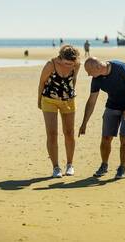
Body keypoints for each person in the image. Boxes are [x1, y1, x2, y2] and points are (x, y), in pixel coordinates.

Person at [79, 57, 125, 179]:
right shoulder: (96, 79)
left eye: (89, 71)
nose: (88, 75)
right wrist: (84, 123)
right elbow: (91, 101)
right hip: (112, 105)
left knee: (124, 137)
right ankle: (104, 165)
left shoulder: (120, 68)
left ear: (98, 67)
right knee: (106, 137)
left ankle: (122, 168)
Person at [37, 45, 80, 178]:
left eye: (71, 64)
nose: (69, 66)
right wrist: (39, 101)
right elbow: (41, 83)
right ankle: (56, 167)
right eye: (66, 63)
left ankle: (69, 165)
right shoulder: (50, 65)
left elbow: (74, 80)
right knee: (52, 134)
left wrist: (70, 94)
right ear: (60, 58)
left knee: (69, 132)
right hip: (49, 100)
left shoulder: (76, 65)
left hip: (68, 100)